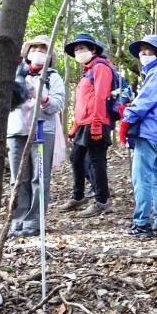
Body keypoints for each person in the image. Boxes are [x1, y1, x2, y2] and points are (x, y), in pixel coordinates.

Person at [5, 35, 65, 238]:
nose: (38, 51)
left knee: (39, 177)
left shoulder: (53, 77)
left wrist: (41, 96)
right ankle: (18, 218)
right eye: (34, 48)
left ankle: (34, 220)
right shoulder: (15, 74)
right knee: (17, 178)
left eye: (43, 49)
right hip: (16, 131)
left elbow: (57, 104)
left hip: (41, 129)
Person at [121, 35, 157, 237]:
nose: (143, 53)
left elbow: (145, 101)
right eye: (141, 50)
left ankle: (141, 223)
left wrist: (127, 118)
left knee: (141, 177)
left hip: (150, 131)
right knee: (155, 177)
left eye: (148, 50)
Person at [58, 33, 113, 218]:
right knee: (76, 158)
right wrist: (75, 127)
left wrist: (97, 124)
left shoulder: (100, 68)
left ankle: (102, 201)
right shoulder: (87, 71)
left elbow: (100, 96)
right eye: (76, 49)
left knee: (97, 161)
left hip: (96, 122)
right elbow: (83, 103)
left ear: (93, 49)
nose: (79, 52)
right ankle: (78, 196)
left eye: (82, 48)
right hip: (84, 123)